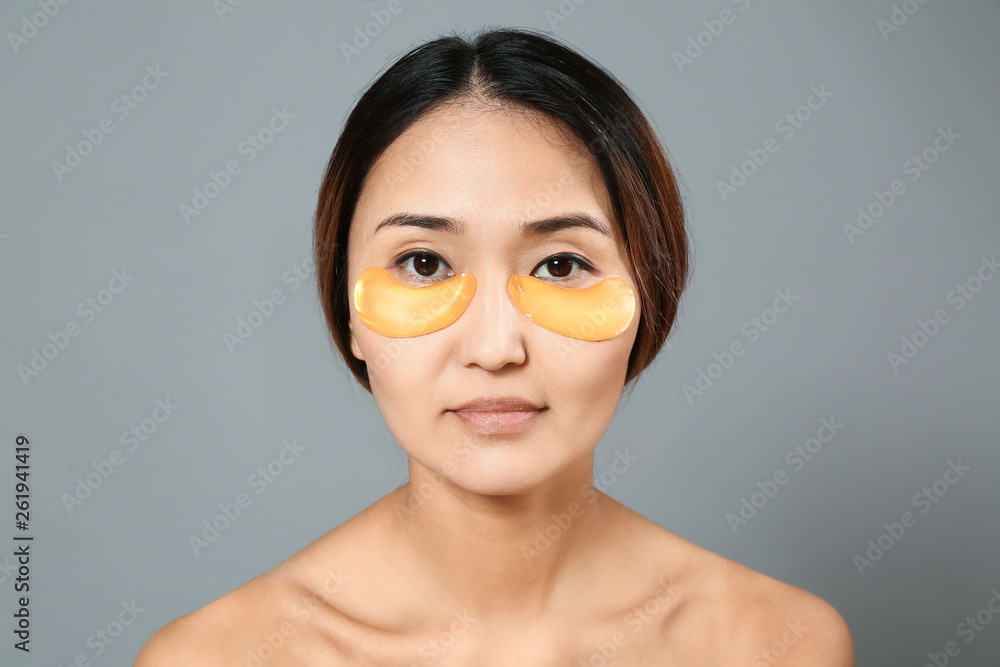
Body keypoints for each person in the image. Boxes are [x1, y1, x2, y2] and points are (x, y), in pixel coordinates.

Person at [135, 26, 853, 665]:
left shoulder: (775, 644)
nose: (495, 345)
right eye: (424, 263)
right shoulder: (212, 657)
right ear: (345, 307)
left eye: (561, 265)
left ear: (650, 296)